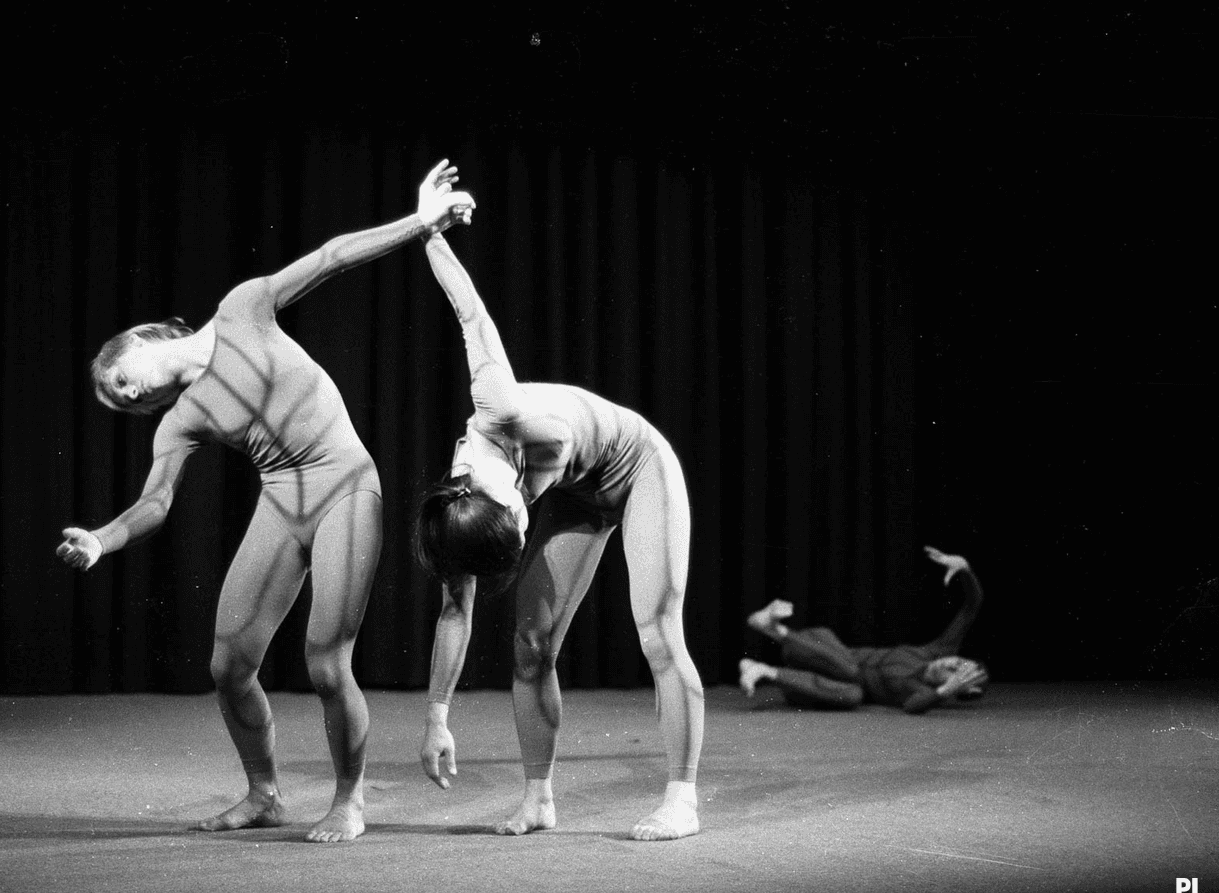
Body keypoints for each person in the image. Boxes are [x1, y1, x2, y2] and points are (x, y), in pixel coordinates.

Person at [56, 161, 475, 843]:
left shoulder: (243, 307)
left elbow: (332, 258)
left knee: (324, 660)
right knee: (228, 663)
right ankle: (264, 793)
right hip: (283, 503)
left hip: (346, 486)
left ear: (141, 341)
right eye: (117, 400)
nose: (126, 397)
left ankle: (349, 799)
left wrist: (420, 222)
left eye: (120, 380)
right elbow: (155, 502)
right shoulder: (180, 419)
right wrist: (102, 539)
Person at [412, 226, 706, 841]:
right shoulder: (455, 519)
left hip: (639, 464)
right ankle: (539, 798)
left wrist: (428, 230)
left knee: (656, 629)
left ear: (506, 505)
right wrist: (437, 715)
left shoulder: (499, 406)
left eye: (519, 526)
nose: (523, 527)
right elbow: (454, 611)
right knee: (530, 642)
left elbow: (470, 313)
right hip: (581, 495)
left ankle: (681, 799)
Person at [739, 546, 988, 713]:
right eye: (956, 661)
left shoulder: (920, 691)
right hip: (814, 648)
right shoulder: (936, 652)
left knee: (854, 695)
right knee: (849, 666)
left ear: (961, 688)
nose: (947, 665)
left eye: (954, 673)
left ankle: (766, 669)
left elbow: (913, 707)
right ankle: (775, 630)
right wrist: (965, 569)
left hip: (807, 685)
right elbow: (971, 607)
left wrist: (945, 691)